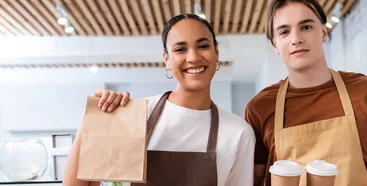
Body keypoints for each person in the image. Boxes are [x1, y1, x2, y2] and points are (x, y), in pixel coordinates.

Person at [244, 0, 367, 186]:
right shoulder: (259, 108)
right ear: (275, 44)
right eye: (284, 32)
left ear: (323, 32)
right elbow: (250, 181)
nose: (296, 39)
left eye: (306, 27)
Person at [62, 14, 255, 186]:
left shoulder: (239, 133)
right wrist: (94, 120)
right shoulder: (133, 116)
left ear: (216, 52)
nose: (193, 57)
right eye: (180, 49)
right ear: (167, 59)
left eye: (203, 46)